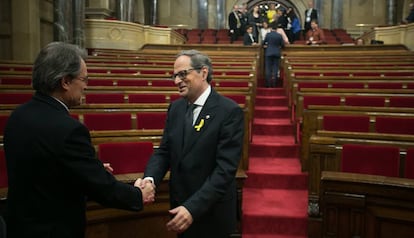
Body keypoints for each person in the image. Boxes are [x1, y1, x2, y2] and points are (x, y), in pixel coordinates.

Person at [3, 42, 155, 238]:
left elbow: (45, 170)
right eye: (84, 79)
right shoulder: (69, 130)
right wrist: (138, 195)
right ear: (65, 81)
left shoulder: (18, 116)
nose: (86, 86)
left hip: (19, 227)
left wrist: (90, 168)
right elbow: (101, 189)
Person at [139, 49, 244, 238]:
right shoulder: (176, 108)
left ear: (203, 73)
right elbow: (164, 151)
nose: (176, 81)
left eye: (182, 74)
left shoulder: (229, 112)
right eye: (174, 76)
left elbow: (224, 170)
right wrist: (150, 179)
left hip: (211, 216)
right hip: (180, 210)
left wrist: (192, 208)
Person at [263, 22, 285, 88]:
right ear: (276, 28)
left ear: (270, 28)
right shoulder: (279, 35)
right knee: (275, 68)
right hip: (277, 52)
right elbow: (283, 45)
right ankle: (275, 83)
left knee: (268, 68)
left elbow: (263, 43)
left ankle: (268, 83)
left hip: (269, 52)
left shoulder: (268, 35)